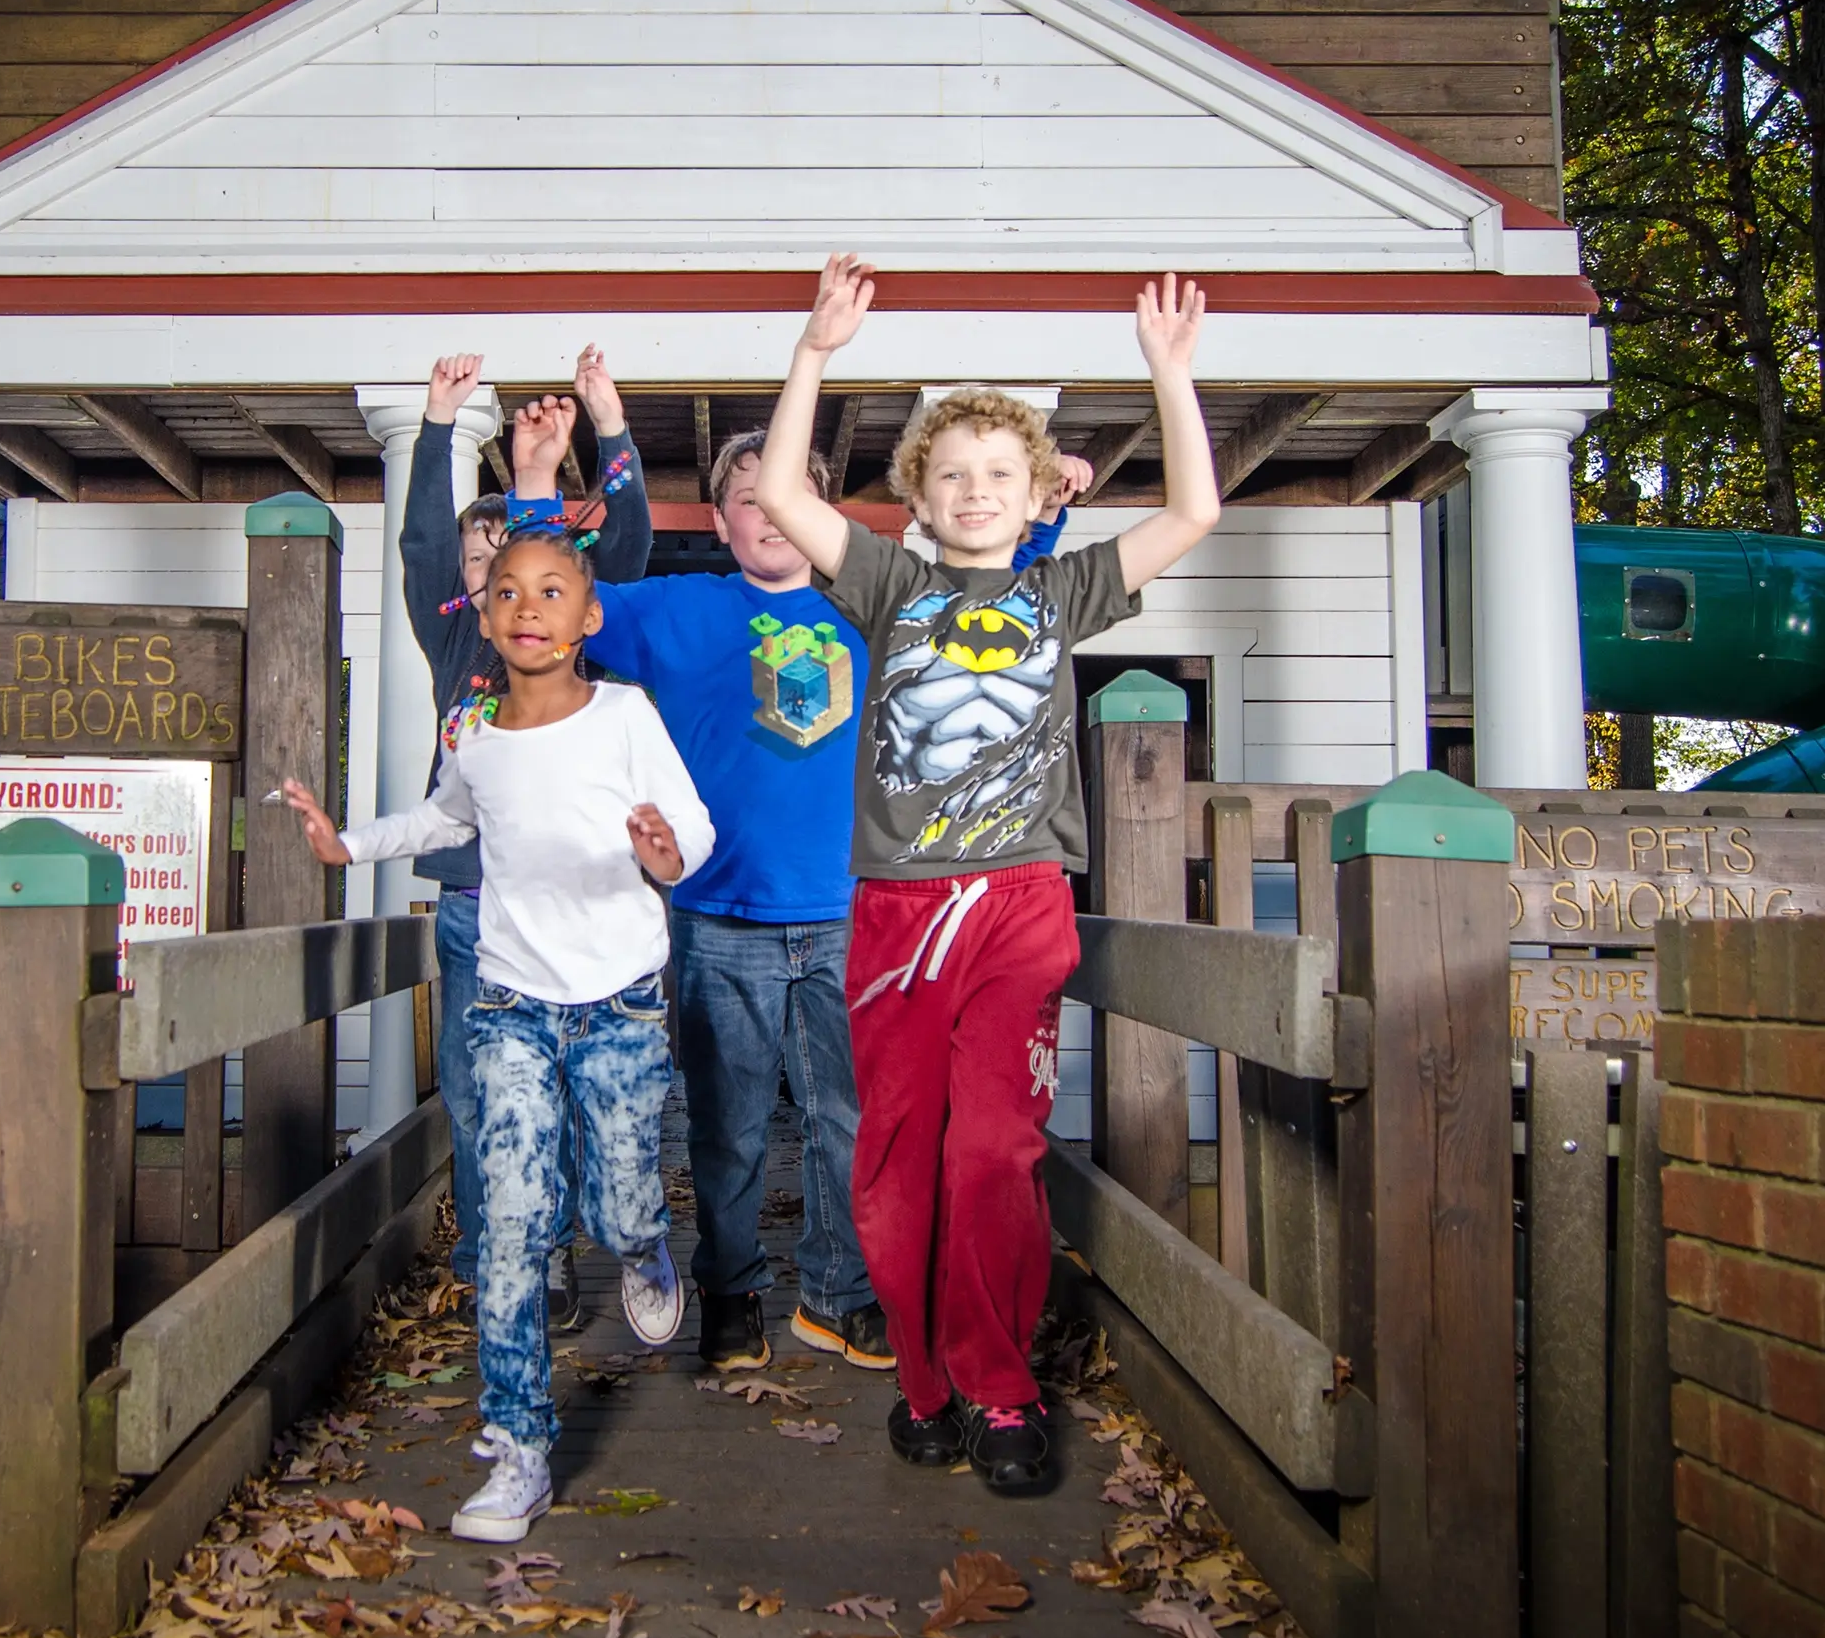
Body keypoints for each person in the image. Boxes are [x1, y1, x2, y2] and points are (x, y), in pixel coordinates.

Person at [751, 254, 1221, 1498]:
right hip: (898, 913)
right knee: (896, 1166)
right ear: (920, 491)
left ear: (1032, 495)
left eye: (998, 474)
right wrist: (813, 351)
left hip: (1018, 903)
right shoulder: (889, 584)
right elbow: (788, 490)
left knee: (993, 1154)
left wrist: (1169, 374)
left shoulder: (1062, 591)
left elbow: (1192, 518)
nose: (973, 490)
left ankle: (1001, 1387)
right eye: (950, 472)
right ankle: (922, 1376)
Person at [580, 430, 1091, 1376]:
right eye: (743, 498)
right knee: (725, 1127)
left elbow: (989, 596)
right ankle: (731, 1294)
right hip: (718, 913)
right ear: (724, 522)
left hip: (854, 910)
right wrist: (546, 488)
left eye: (781, 498)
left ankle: (838, 1295)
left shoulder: (878, 603)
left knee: (851, 1120)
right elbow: (560, 600)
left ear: (820, 517)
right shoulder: (676, 611)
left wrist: (1047, 513)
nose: (764, 514)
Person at [282, 527, 712, 1541]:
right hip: (513, 1005)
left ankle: (648, 1248)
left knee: (615, 1198)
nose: (528, 605)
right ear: (485, 615)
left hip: (619, 1001)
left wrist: (667, 852)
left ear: (586, 616)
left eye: (552, 590)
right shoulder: (472, 728)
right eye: (508, 589)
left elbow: (689, 825)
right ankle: (518, 1445)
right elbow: (443, 819)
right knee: (513, 1223)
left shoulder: (625, 714)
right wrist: (352, 844)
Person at [401, 350, 650, 1322]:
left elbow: (624, 543)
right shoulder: (456, 638)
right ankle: (500, 1254)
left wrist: (612, 433)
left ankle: (563, 1241)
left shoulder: (580, 635)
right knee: (474, 1090)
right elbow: (425, 539)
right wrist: (432, 428)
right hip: (474, 898)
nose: (495, 576)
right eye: (482, 562)